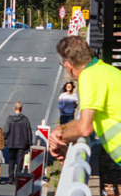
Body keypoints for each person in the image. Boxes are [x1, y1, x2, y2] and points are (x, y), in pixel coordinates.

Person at [49, 36, 121, 165]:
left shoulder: (88, 76)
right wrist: (62, 129)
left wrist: (60, 141)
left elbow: (84, 128)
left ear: (68, 64)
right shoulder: (107, 70)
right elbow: (87, 120)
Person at [2, 102, 33, 184]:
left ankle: (10, 177)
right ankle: (17, 178)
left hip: (11, 143)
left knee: (11, 160)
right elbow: (29, 132)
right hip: (22, 143)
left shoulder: (9, 119)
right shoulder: (25, 119)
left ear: (14, 108)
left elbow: (5, 131)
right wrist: (29, 144)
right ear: (22, 109)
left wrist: (4, 140)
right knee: (20, 161)